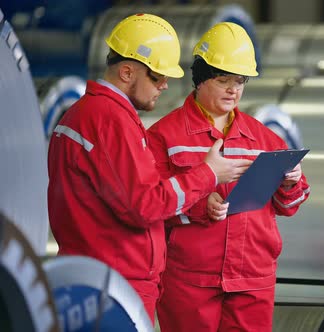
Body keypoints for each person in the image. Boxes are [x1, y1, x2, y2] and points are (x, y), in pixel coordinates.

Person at [46, 13, 251, 324]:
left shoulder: (83, 114)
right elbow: (146, 205)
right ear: (127, 71)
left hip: (98, 279)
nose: (166, 86)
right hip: (117, 284)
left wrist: (195, 195)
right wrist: (209, 174)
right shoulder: (109, 120)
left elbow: (124, 191)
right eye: (157, 77)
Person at [147, 22, 311, 332]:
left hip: (252, 276)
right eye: (223, 80)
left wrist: (292, 183)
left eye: (240, 81)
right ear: (200, 78)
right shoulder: (164, 137)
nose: (233, 90)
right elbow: (149, 203)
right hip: (190, 279)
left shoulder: (264, 138)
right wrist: (199, 205)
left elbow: (289, 206)